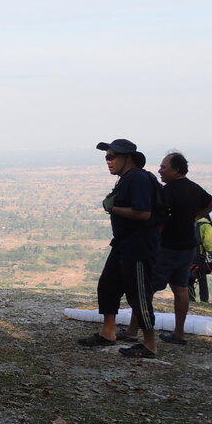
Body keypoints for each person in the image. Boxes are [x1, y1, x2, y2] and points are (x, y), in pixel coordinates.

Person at [78, 138, 160, 358]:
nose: (108, 161)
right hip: (123, 243)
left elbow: (143, 213)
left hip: (139, 246)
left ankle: (150, 344)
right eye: (107, 157)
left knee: (139, 295)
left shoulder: (138, 178)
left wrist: (114, 209)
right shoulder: (127, 178)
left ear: (128, 158)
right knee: (108, 285)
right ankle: (108, 332)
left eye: (112, 156)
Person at [122, 151, 212, 345]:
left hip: (166, 247)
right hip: (188, 247)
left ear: (176, 169)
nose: (160, 170)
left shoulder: (167, 191)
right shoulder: (193, 188)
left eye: (164, 167)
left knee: (145, 290)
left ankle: (132, 332)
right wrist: (193, 218)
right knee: (181, 288)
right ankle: (179, 333)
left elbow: (159, 220)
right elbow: (211, 203)